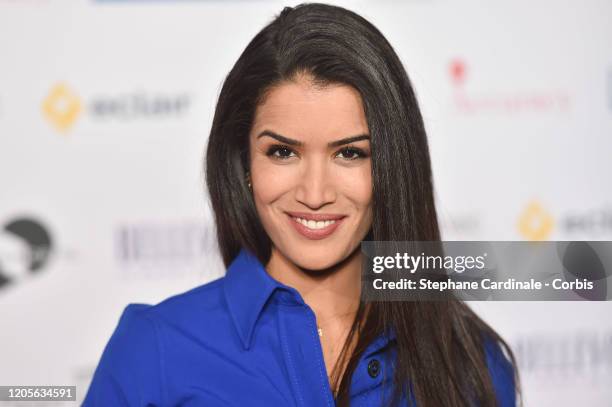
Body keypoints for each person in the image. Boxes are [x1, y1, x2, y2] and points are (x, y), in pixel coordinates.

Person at [82, 3, 519, 406]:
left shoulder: (466, 360)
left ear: (392, 167)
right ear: (244, 162)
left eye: (350, 153)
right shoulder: (154, 349)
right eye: (283, 152)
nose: (314, 194)